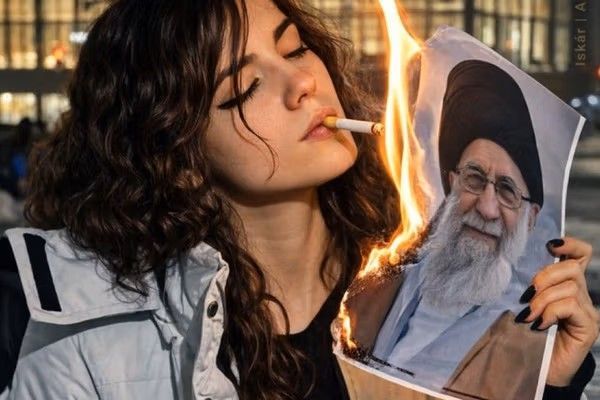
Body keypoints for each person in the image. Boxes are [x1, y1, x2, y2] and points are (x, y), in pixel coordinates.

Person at [0, 2, 596, 400]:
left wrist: (541, 381)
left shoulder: (421, 283)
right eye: (245, 88)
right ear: (173, 148)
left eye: (294, 49)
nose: (302, 84)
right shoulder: (72, 328)